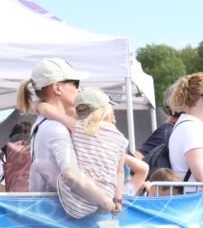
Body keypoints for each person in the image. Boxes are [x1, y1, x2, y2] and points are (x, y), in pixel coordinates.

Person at [16, 58, 115, 213]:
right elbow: (71, 175)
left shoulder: (44, 123)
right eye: (75, 83)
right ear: (57, 88)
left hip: (57, 215)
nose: (79, 89)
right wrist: (106, 203)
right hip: (70, 218)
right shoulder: (56, 129)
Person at [56, 88, 130, 219]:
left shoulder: (74, 127)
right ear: (105, 110)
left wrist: (41, 105)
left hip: (73, 199)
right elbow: (120, 171)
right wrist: (118, 199)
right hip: (106, 199)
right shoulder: (120, 137)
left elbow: (48, 111)